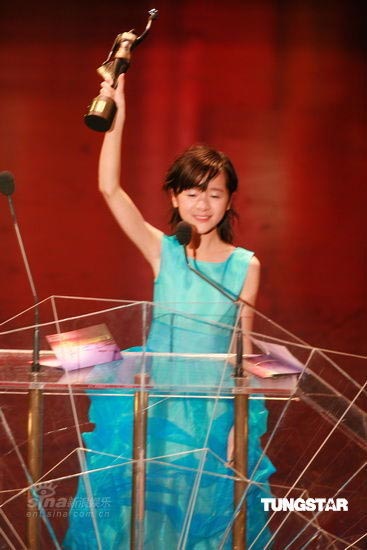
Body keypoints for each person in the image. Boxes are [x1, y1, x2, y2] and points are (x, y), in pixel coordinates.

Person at [63, 74, 275, 549]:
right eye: (192, 193)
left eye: (214, 194)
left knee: (204, 518)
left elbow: (242, 353)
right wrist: (116, 115)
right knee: (142, 516)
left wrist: (238, 427)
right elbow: (109, 190)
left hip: (211, 412)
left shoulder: (247, 266)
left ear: (228, 200)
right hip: (154, 405)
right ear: (176, 198)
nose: (203, 204)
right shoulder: (166, 252)